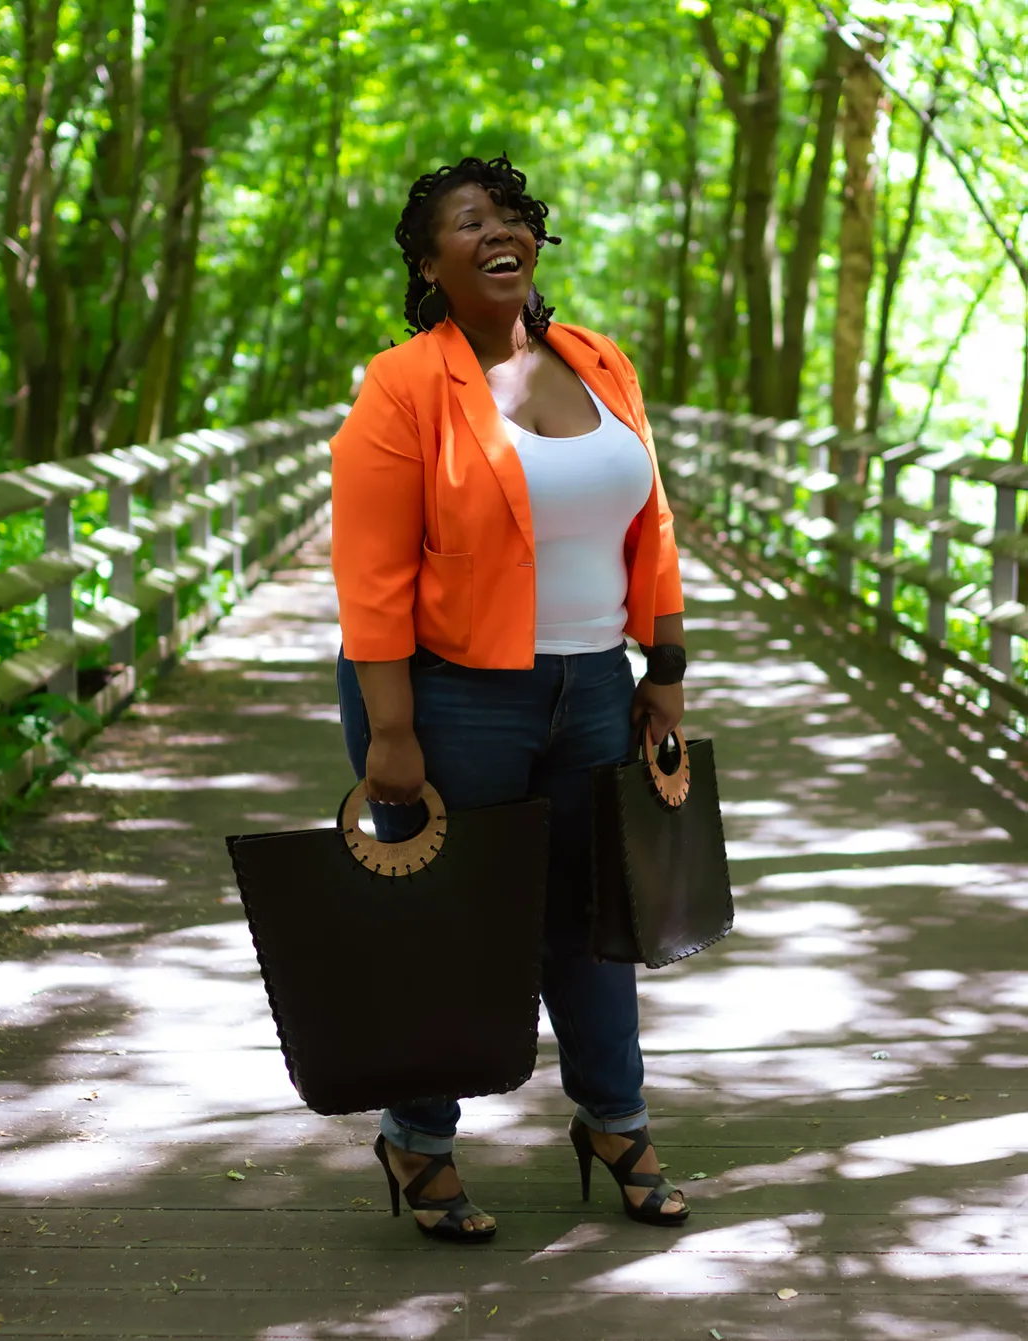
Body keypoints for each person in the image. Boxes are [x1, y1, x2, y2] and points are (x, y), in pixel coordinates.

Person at [330, 155, 690, 1243]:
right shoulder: (403, 384)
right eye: (466, 220)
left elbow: (652, 526)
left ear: (533, 243)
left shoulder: (598, 360)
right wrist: (391, 732)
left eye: (512, 216)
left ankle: (614, 1122)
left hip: (592, 686)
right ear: (430, 263)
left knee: (595, 921)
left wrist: (662, 674)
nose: (498, 230)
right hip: (448, 696)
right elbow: (372, 574)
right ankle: (419, 1138)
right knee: (452, 927)